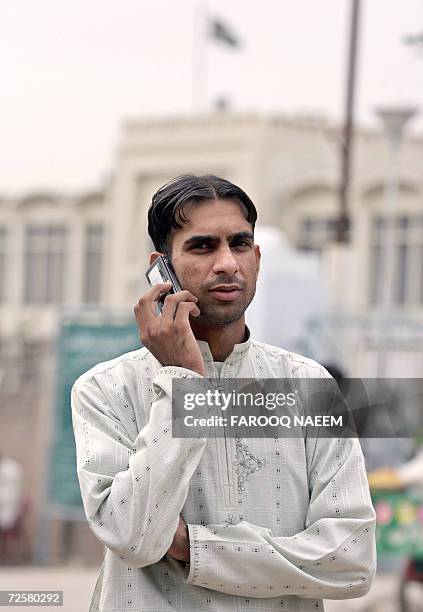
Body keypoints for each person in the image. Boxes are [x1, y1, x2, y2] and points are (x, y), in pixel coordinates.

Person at [71, 174, 376, 612]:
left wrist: (192, 548)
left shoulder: (307, 386)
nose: (227, 263)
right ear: (163, 268)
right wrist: (183, 381)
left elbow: (351, 561)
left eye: (238, 244)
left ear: (256, 257)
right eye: (202, 246)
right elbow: (133, 538)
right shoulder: (105, 390)